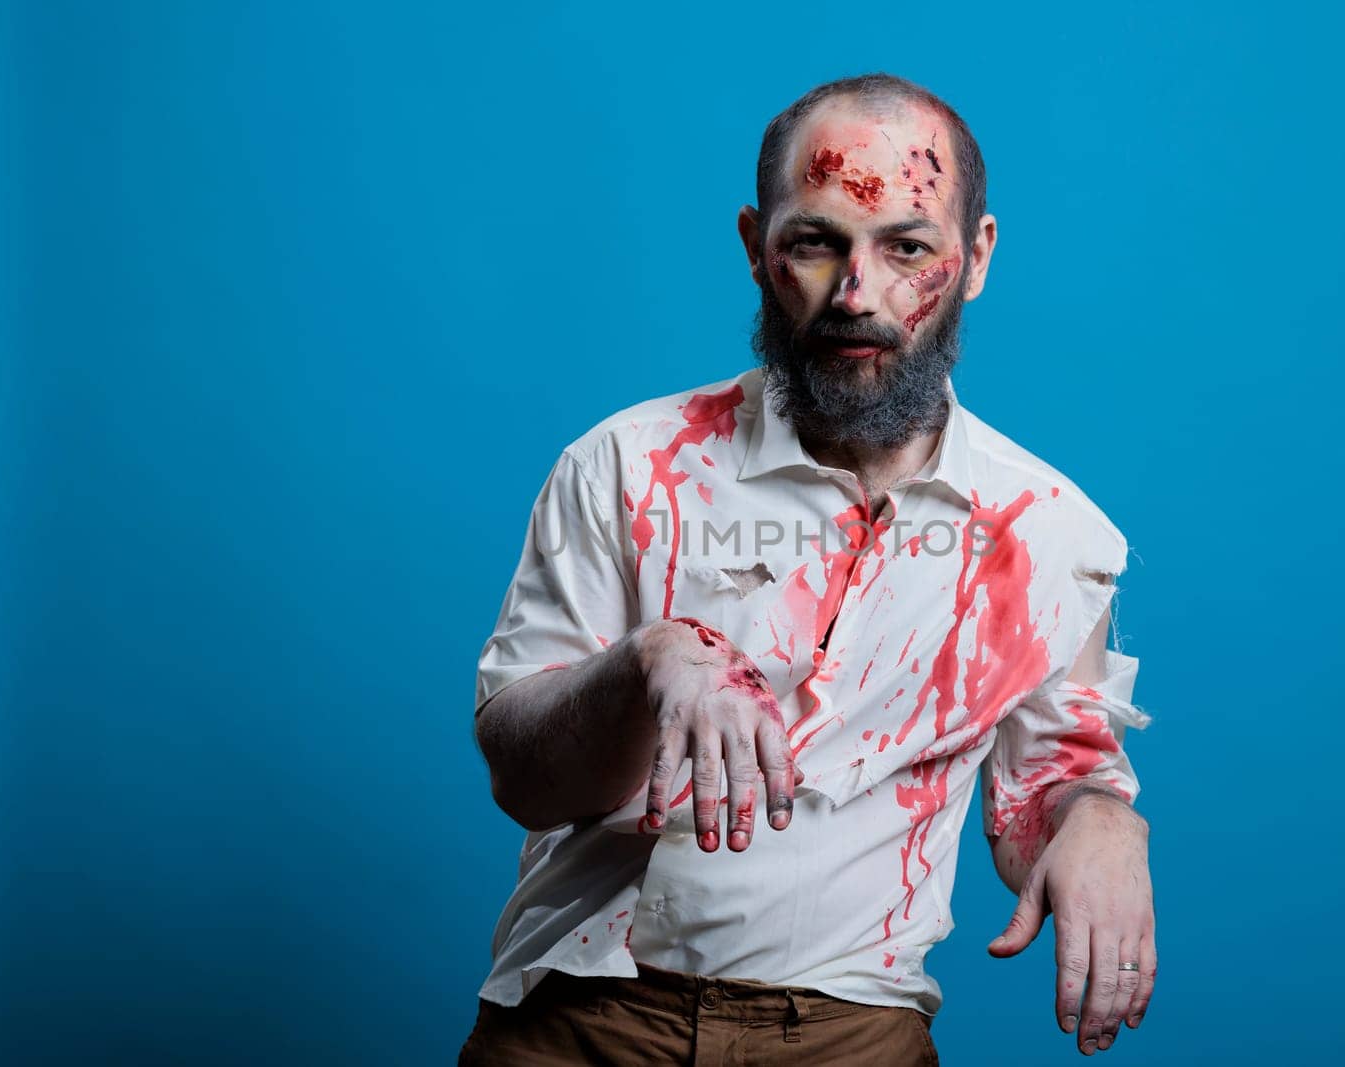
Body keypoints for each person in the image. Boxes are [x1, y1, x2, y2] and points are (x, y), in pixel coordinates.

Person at [460, 73, 1157, 1065]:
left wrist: (1098, 820)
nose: (855, 294)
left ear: (975, 258)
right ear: (756, 246)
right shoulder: (625, 466)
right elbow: (521, 777)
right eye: (815, 242)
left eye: (906, 246)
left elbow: (1044, 788)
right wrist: (650, 660)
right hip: (584, 1016)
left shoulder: (1050, 532)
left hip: (852, 1032)